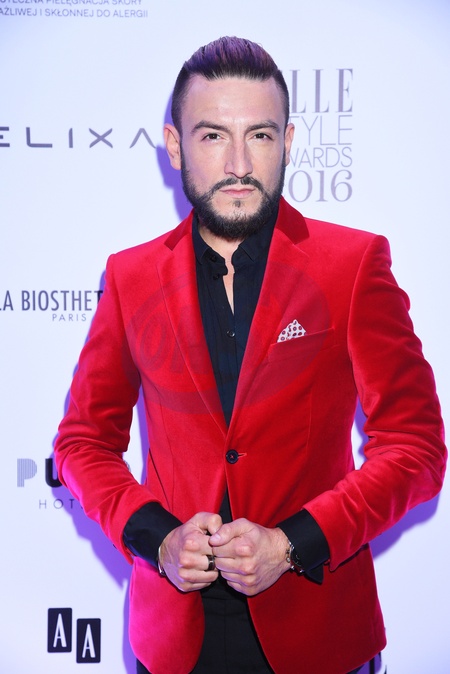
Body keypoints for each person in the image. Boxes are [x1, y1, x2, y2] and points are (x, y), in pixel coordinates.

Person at [54, 36, 446, 674]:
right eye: (213, 135)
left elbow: (416, 447)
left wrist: (293, 544)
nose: (239, 163)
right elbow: (82, 444)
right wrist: (158, 538)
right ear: (175, 146)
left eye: (259, 135)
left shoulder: (352, 265)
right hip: (175, 635)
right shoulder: (131, 279)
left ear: (287, 143)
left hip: (319, 626)